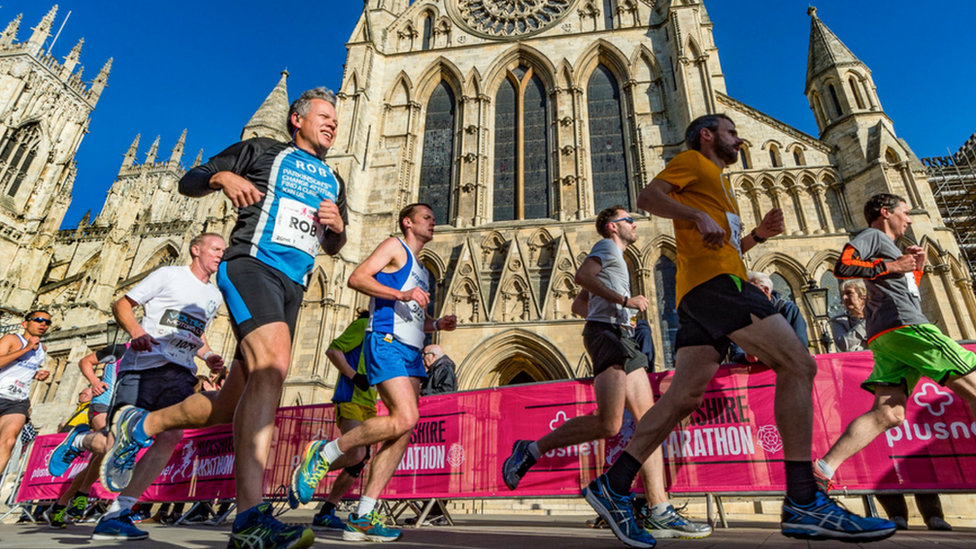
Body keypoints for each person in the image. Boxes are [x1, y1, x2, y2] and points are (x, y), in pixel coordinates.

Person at [579, 115, 895, 548]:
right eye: (730, 132)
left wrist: (757, 237)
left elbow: (720, 246)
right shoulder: (694, 161)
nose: (739, 138)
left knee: (681, 398)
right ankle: (804, 498)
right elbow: (649, 196)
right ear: (708, 135)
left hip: (700, 291)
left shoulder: (720, 184)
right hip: (717, 288)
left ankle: (612, 487)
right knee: (799, 365)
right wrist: (694, 214)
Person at [97, 87, 348, 549]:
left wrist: (337, 228)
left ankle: (142, 426)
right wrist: (223, 180)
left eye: (336, 119)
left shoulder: (334, 181)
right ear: (298, 120)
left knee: (229, 403)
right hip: (252, 264)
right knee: (274, 368)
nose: (332, 123)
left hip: (294, 285)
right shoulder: (262, 151)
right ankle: (251, 517)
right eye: (324, 116)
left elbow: (333, 246)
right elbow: (192, 178)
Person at [503, 206, 711, 543]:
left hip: (617, 333)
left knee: (650, 421)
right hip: (608, 335)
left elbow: (579, 304)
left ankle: (659, 510)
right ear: (613, 227)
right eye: (629, 219)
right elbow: (582, 277)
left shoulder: (618, 258)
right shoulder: (607, 248)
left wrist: (613, 309)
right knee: (610, 424)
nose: (635, 223)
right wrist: (624, 302)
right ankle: (531, 449)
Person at [288, 203, 457, 543]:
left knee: (402, 431)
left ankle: (363, 515)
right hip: (386, 342)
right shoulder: (395, 246)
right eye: (426, 217)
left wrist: (436, 324)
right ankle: (325, 453)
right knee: (405, 417)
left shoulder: (422, 269)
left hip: (411, 349)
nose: (433, 221)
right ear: (408, 222)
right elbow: (357, 278)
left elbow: (408, 315)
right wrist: (400, 292)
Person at [48, 233, 227, 540]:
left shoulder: (213, 296)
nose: (221, 254)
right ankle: (79, 440)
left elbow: (194, 334)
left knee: (170, 437)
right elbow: (122, 304)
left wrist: (208, 355)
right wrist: (136, 332)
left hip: (182, 371)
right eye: (216, 249)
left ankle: (118, 513)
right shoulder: (169, 275)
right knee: (114, 444)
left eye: (224, 251)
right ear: (196, 250)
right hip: (143, 367)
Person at [814, 193, 976, 531]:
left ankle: (821, 471)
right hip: (908, 328)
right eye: (905, 212)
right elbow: (843, 267)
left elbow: (901, 289)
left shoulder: (891, 246)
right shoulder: (874, 236)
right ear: (885, 213)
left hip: (885, 335)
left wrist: (913, 269)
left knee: (888, 414)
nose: (911, 219)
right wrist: (894, 265)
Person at [300, 309, 375, 532]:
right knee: (355, 453)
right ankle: (311, 465)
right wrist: (354, 376)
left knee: (360, 460)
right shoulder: (363, 325)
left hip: (369, 403)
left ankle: (327, 511)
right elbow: (333, 350)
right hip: (350, 397)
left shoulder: (381, 335)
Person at [45, 343, 128, 528]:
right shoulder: (121, 349)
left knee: (101, 455)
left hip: (122, 408)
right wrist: (95, 382)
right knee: (110, 441)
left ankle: (60, 505)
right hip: (103, 403)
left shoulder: (154, 356)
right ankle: (82, 491)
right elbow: (84, 361)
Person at [0, 310, 52, 478]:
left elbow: (20, 368)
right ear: (25, 323)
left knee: (8, 441)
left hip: (18, 401)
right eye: (38, 320)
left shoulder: (42, 349)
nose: (43, 324)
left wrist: (36, 374)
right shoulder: (11, 339)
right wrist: (27, 348)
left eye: (47, 322)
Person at [727, 271, 809, 363]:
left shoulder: (788, 310)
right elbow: (735, 354)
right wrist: (746, 357)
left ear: (765, 290)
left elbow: (801, 349)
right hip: (757, 376)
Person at [830, 280, 868, 352]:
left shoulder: (881, 315)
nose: (844, 298)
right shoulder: (838, 321)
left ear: (863, 295)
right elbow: (844, 345)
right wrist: (866, 322)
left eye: (849, 293)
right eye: (842, 294)